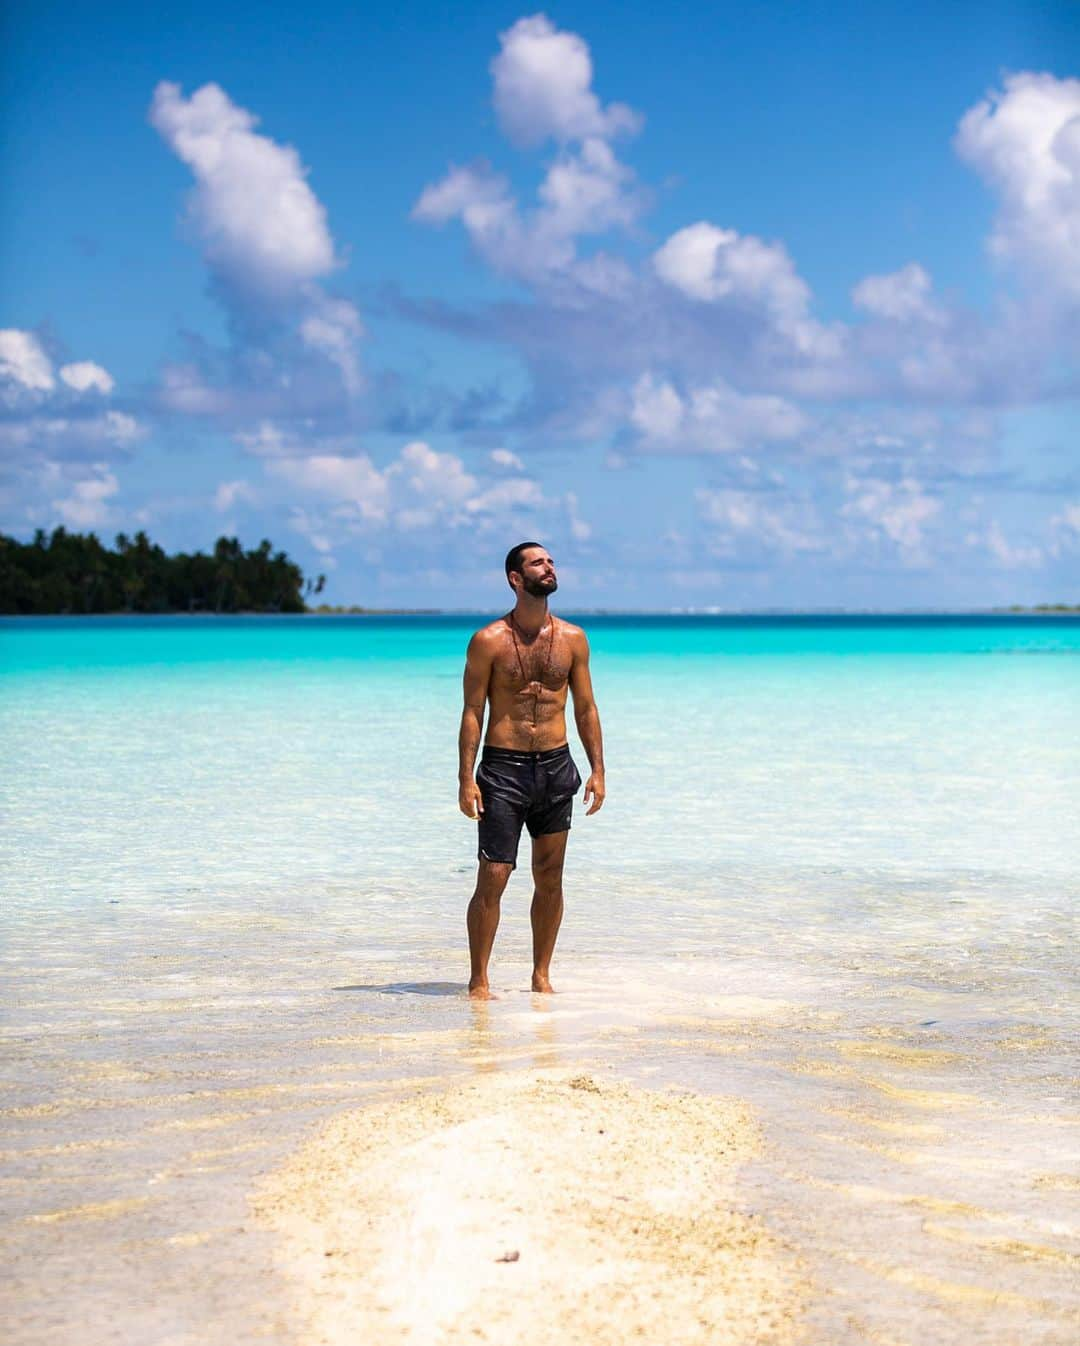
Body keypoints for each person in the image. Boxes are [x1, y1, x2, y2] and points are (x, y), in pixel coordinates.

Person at [458, 542, 605, 999]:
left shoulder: (573, 639)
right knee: (495, 875)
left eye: (551, 561)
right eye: (538, 563)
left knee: (550, 875)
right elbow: (472, 712)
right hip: (503, 769)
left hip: (557, 767)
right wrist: (466, 778)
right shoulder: (488, 641)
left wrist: (598, 769)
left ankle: (541, 976)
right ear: (515, 579)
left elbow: (585, 707)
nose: (549, 567)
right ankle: (479, 980)